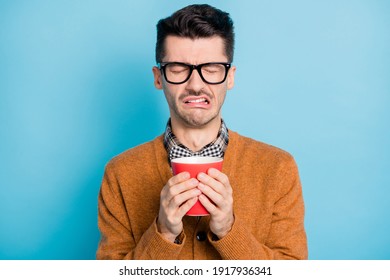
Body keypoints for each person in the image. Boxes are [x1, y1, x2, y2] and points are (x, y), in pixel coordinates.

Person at [96, 4, 308, 260]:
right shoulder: (120, 174)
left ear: (229, 77)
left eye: (211, 69)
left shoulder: (278, 169)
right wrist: (163, 233)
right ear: (158, 77)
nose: (195, 85)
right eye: (177, 68)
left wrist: (229, 230)